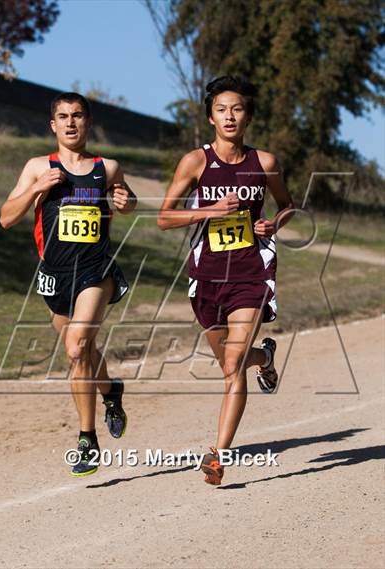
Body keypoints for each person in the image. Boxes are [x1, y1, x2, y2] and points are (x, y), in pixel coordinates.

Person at [157, 75, 294, 485]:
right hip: (207, 277)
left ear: (247, 116)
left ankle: (218, 455)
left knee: (232, 364)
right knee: (231, 363)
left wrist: (274, 223)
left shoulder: (264, 163)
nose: (230, 115)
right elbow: (164, 217)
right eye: (221, 109)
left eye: (237, 109)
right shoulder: (195, 162)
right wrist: (210, 211)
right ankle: (265, 358)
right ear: (211, 118)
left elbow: (287, 206)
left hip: (251, 274)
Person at [0, 92, 137, 476]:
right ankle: (111, 391)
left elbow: (126, 200)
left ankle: (86, 439)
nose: (71, 122)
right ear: (53, 125)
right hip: (55, 276)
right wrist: (36, 188)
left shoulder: (106, 168)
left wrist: (126, 201)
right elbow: (6, 218)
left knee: (76, 348)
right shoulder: (37, 167)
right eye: (63, 116)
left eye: (78, 115)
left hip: (96, 272)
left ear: (88, 123)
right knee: (85, 350)